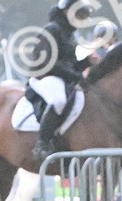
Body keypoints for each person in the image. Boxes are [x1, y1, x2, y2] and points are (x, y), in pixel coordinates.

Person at [28, 0, 94, 162]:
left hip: (62, 78)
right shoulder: (51, 30)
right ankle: (41, 145)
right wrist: (74, 76)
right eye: (79, 14)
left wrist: (87, 62)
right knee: (58, 100)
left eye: (83, 16)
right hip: (44, 77)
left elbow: (71, 65)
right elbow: (46, 62)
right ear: (66, 12)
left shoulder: (71, 36)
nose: (81, 18)